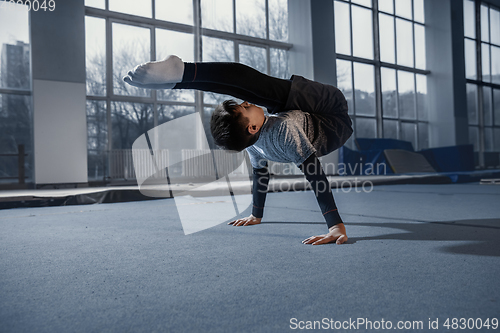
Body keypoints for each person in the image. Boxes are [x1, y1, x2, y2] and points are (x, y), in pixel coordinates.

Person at [123, 56, 353, 245]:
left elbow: (261, 177)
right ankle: (183, 74)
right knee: (256, 84)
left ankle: (177, 81)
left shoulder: (254, 144)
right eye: (245, 107)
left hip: (310, 116)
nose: (248, 102)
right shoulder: (283, 130)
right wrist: (334, 224)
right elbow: (314, 174)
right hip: (333, 116)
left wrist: (256, 214)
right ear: (252, 127)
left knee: (259, 91)